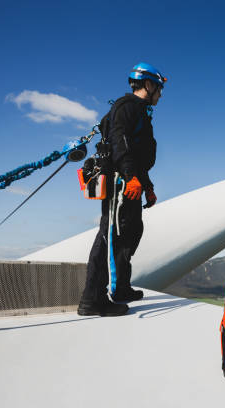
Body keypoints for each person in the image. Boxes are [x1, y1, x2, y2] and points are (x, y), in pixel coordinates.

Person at [77, 62, 166, 316]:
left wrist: (146, 185)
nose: (160, 94)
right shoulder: (127, 107)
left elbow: (136, 154)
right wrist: (130, 176)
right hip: (121, 183)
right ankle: (92, 299)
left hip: (131, 182)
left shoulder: (139, 111)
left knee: (131, 231)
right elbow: (120, 142)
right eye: (158, 88)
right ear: (148, 85)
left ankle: (122, 288)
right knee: (111, 235)